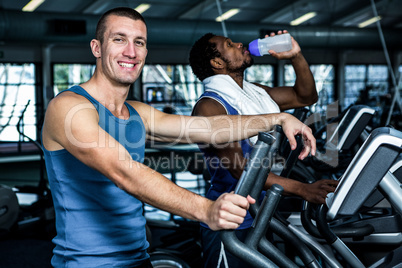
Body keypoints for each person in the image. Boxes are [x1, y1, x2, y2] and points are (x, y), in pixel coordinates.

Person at [41, 8, 316, 268]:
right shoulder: (68, 107)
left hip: (138, 256)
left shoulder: (137, 112)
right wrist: (207, 210)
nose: (130, 51)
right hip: (87, 263)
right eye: (119, 39)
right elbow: (125, 172)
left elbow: (207, 128)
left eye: (139, 42)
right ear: (97, 48)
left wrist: (278, 118)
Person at [189, 32, 339, 267]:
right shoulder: (210, 106)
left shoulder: (254, 94)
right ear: (217, 63)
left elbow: (306, 96)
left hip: (260, 212)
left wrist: (295, 56)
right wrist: (303, 189)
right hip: (228, 220)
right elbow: (241, 170)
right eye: (229, 45)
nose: (240, 44)